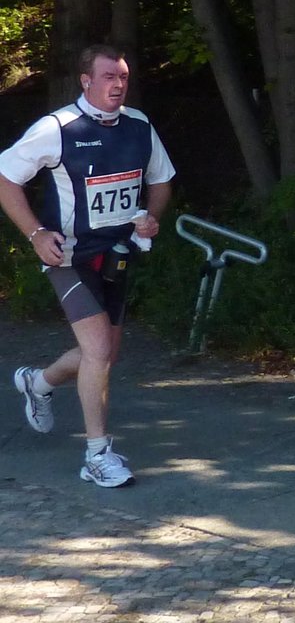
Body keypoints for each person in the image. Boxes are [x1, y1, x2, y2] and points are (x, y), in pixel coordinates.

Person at [0, 44, 175, 488]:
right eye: (108, 77)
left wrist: (151, 218)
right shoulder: (57, 128)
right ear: (86, 81)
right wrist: (37, 235)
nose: (117, 85)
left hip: (118, 253)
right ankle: (98, 454)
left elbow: (161, 178)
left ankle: (38, 382)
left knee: (107, 353)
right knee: (99, 350)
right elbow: (5, 179)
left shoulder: (138, 125)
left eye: (123, 78)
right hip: (69, 256)